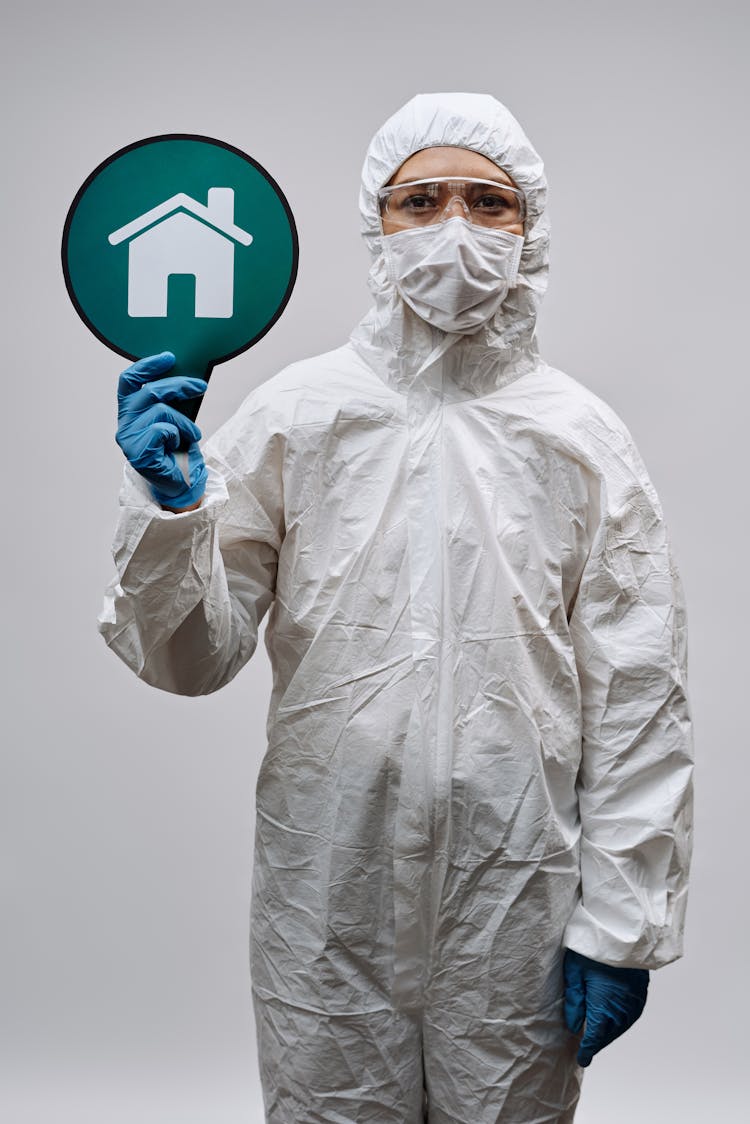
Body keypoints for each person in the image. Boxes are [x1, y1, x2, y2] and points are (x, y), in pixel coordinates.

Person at [100, 93, 694, 1123]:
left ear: (530, 230)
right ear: (378, 227)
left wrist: (624, 919)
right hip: (331, 908)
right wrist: (175, 508)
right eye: (421, 200)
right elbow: (192, 657)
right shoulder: (297, 414)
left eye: (486, 202)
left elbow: (640, 696)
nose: (454, 227)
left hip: (515, 907)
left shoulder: (582, 438)